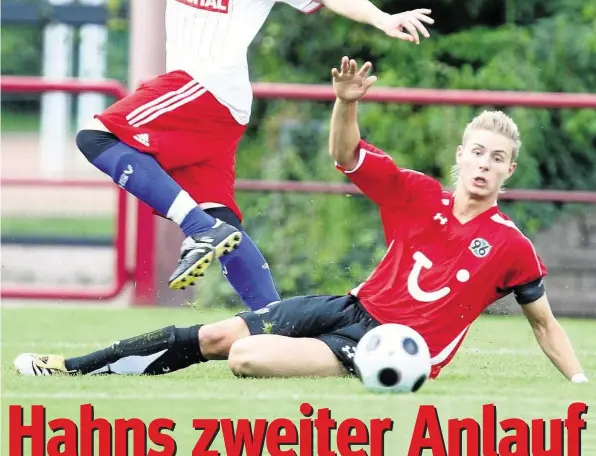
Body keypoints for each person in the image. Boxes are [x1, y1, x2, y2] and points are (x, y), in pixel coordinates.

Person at [25, 0, 433, 308]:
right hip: (215, 104)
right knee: (225, 220)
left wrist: (382, 18)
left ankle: (198, 229)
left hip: (208, 87)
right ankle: (276, 323)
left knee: (95, 137)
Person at [15, 57, 588, 384]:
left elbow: (543, 324)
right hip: (348, 307)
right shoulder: (417, 194)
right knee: (217, 335)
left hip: (388, 348)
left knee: (244, 357)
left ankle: (352, 368)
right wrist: (346, 102)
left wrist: (580, 386)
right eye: (477, 152)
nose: (484, 164)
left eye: (497, 158)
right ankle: (74, 367)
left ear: (509, 171)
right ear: (460, 156)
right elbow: (347, 157)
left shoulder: (510, 245)